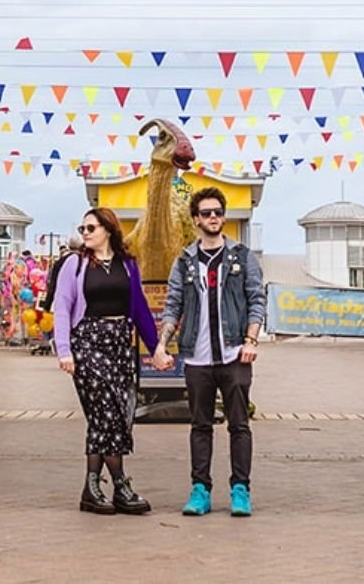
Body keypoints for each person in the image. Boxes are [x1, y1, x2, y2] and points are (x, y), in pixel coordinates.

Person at [153, 186, 266, 518]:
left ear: (224, 216)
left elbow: (257, 300)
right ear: (196, 219)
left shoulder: (244, 257)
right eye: (206, 213)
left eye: (218, 212)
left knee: (239, 425)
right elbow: (173, 306)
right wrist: (162, 345)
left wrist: (251, 341)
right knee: (200, 425)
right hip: (197, 357)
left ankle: (240, 489)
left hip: (235, 356)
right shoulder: (184, 261)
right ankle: (200, 489)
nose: (213, 217)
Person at [51, 207, 160, 515]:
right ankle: (119, 484)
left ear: (108, 230)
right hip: (87, 342)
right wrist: (64, 351)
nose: (85, 233)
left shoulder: (127, 265)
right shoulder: (74, 264)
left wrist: (156, 349)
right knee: (105, 410)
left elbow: (138, 308)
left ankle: (92, 489)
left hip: (120, 344)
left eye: (91, 228)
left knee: (117, 413)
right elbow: (62, 308)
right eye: (82, 228)